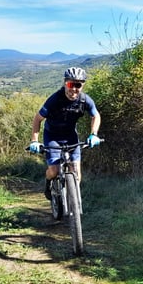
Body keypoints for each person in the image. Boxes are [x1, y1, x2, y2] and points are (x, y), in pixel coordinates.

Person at [29, 66, 101, 200]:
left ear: (82, 86)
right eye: (70, 84)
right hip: (52, 136)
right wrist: (34, 141)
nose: (74, 89)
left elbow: (95, 116)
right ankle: (48, 183)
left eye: (78, 85)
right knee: (54, 171)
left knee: (76, 173)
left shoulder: (84, 100)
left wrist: (94, 134)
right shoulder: (55, 99)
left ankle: (73, 204)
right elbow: (38, 119)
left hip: (70, 136)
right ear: (65, 83)